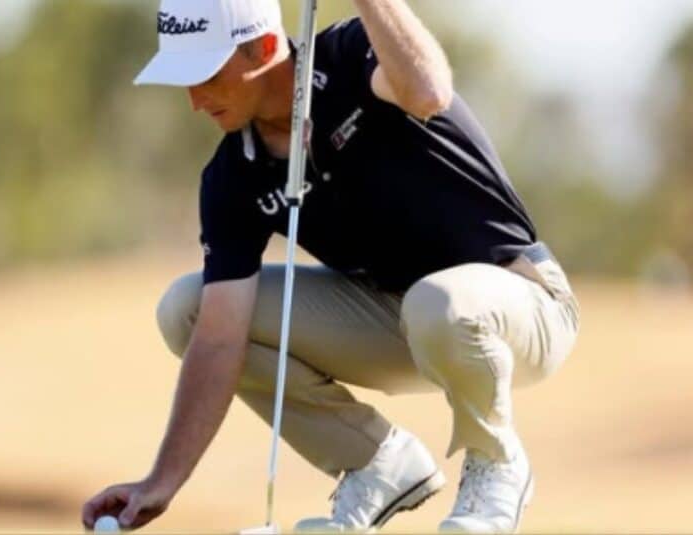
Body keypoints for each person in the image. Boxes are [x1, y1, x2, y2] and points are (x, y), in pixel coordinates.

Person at [82, 0, 580, 532]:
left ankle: (497, 466)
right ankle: (375, 461)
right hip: (398, 318)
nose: (194, 101)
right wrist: (162, 481)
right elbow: (220, 337)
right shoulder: (232, 176)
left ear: (268, 46)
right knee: (186, 309)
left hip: (520, 300)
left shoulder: (351, 55)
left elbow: (428, 91)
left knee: (440, 304)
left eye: (205, 74)